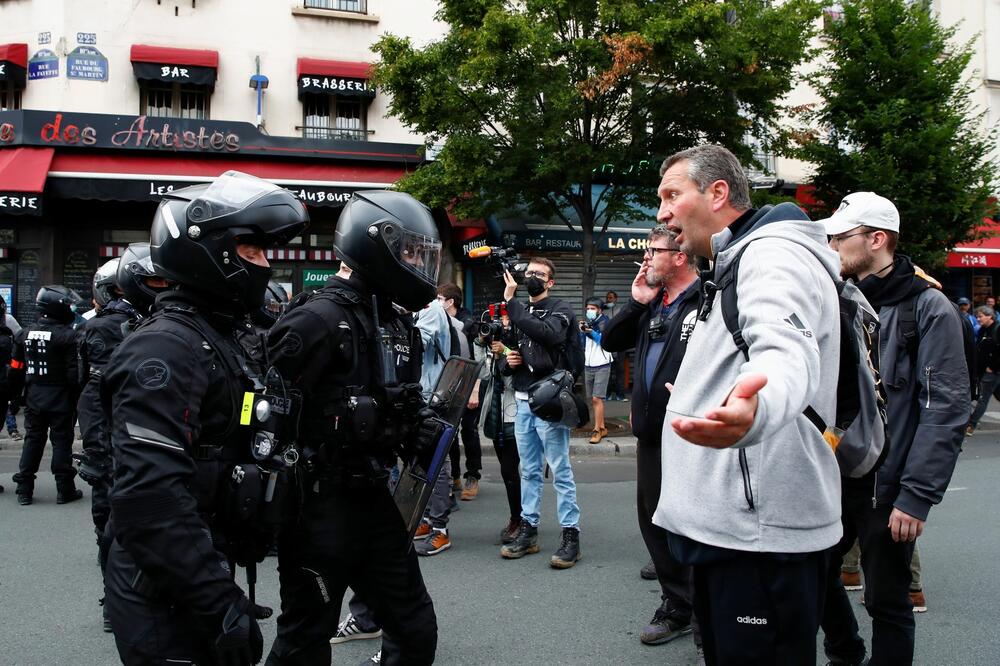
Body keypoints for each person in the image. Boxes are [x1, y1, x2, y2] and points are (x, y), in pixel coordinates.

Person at [101, 171, 309, 665]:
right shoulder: (165, 347)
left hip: (200, 562)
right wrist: (219, 605)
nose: (265, 263)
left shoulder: (217, 337)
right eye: (251, 250)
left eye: (265, 251)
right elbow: (150, 502)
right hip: (164, 585)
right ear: (208, 249)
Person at [654, 144, 843, 664]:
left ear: (717, 193)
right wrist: (698, 399)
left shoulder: (770, 254)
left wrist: (754, 412)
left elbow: (786, 350)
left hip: (759, 535)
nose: (662, 213)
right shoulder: (734, 259)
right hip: (739, 530)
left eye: (672, 195)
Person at [264, 190, 441, 665]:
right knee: (305, 637)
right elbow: (267, 415)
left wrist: (415, 423)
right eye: (408, 251)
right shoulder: (315, 320)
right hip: (317, 507)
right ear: (374, 243)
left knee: (414, 625)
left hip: (375, 498)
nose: (415, 263)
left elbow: (401, 397)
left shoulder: (397, 323)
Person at [820, 192, 969, 666]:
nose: (832, 245)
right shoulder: (838, 299)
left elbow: (945, 408)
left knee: (887, 600)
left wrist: (916, 495)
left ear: (876, 239)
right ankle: (846, 652)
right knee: (813, 570)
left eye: (841, 237)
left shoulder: (929, 307)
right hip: (837, 475)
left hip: (890, 485)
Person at [603, 226, 700, 650]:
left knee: (695, 531)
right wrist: (635, 302)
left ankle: (708, 625)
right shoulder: (653, 302)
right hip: (651, 435)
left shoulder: (708, 299)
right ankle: (677, 607)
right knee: (654, 522)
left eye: (653, 250)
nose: (645, 258)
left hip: (693, 437)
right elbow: (610, 340)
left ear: (679, 257)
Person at [498, 257, 582, 569]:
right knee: (529, 470)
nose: (532, 277)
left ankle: (571, 535)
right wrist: (509, 362)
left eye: (540, 274)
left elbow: (549, 335)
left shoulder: (560, 308)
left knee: (560, 470)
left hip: (549, 404)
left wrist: (511, 301)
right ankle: (528, 530)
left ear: (550, 282)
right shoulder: (523, 311)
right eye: (529, 272)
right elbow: (507, 351)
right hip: (522, 402)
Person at [9, 285, 83, 506]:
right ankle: (64, 489)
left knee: (32, 440)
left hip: (33, 398)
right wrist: (78, 397)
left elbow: (16, 369)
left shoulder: (24, 334)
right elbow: (73, 374)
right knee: (61, 442)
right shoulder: (68, 337)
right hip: (61, 399)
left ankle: (24, 490)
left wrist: (14, 398)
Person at [474, 311, 523, 543]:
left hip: (515, 414)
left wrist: (504, 351)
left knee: (510, 471)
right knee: (507, 470)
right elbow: (483, 373)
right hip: (497, 415)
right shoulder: (494, 347)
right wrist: (481, 344)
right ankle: (520, 517)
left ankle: (519, 519)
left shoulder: (521, 343)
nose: (500, 327)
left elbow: (516, 378)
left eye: (505, 323)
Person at [437, 282, 483, 500]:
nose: (437, 303)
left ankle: (472, 476)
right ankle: (453, 474)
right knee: (450, 433)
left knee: (469, 431)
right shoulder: (441, 322)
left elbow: (477, 361)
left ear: (450, 302)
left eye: (439, 299)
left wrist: (474, 391)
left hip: (469, 384)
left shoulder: (468, 324)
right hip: (449, 385)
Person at [581, 297, 613, 443]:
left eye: (592, 308)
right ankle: (603, 427)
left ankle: (597, 430)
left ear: (599, 310)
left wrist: (590, 332)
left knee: (597, 398)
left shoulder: (605, 322)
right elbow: (582, 344)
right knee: (593, 400)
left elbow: (604, 342)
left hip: (602, 364)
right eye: (588, 308)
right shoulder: (589, 323)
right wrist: (582, 331)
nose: (589, 311)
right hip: (589, 364)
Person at [967, 305, 999, 435]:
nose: (978, 319)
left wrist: (993, 367)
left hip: (992, 372)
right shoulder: (982, 330)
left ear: (989, 316)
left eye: (980, 316)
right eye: (977, 317)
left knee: (982, 398)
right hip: (985, 371)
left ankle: (971, 425)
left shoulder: (997, 329)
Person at [603, 291, 626, 400]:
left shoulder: (621, 310)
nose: (609, 300)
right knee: (607, 370)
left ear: (616, 299)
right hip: (608, 344)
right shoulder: (603, 311)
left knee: (620, 370)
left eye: (611, 298)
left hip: (620, 344)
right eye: (608, 298)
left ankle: (620, 394)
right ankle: (607, 394)